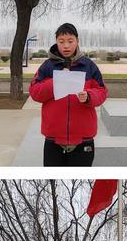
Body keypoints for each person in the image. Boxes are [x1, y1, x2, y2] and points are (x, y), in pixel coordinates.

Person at [29, 23, 108, 167]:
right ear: (56, 42)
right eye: (61, 41)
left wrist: (89, 96)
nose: (66, 46)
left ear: (77, 41)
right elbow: (34, 92)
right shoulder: (47, 66)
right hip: (53, 138)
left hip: (84, 138)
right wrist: (55, 82)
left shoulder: (89, 66)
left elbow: (102, 92)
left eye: (70, 41)